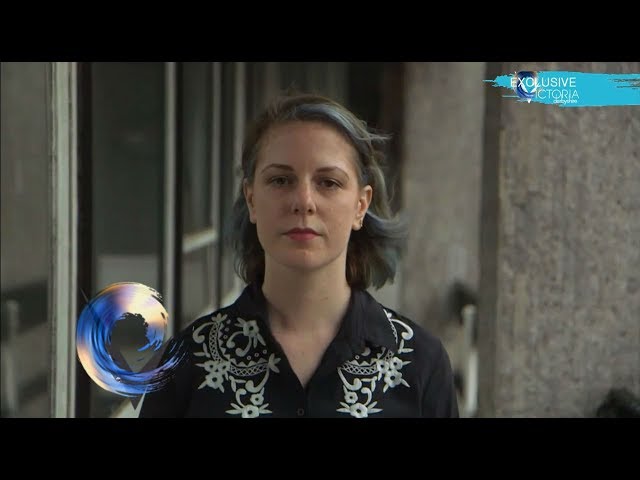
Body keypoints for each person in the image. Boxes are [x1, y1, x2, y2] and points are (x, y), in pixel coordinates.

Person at [139, 92, 459, 418]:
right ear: (251, 199)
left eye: (328, 182)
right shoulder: (186, 365)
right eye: (281, 180)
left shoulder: (421, 364)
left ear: (360, 205)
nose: (304, 201)